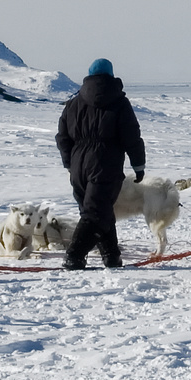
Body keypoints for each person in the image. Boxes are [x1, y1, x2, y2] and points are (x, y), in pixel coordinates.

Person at [55, 58, 146, 269]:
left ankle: (112, 256)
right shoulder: (119, 102)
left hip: (78, 165)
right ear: (111, 75)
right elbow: (132, 136)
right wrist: (138, 165)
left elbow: (62, 136)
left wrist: (69, 163)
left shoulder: (73, 103)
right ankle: (74, 256)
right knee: (95, 213)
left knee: (97, 210)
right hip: (106, 162)